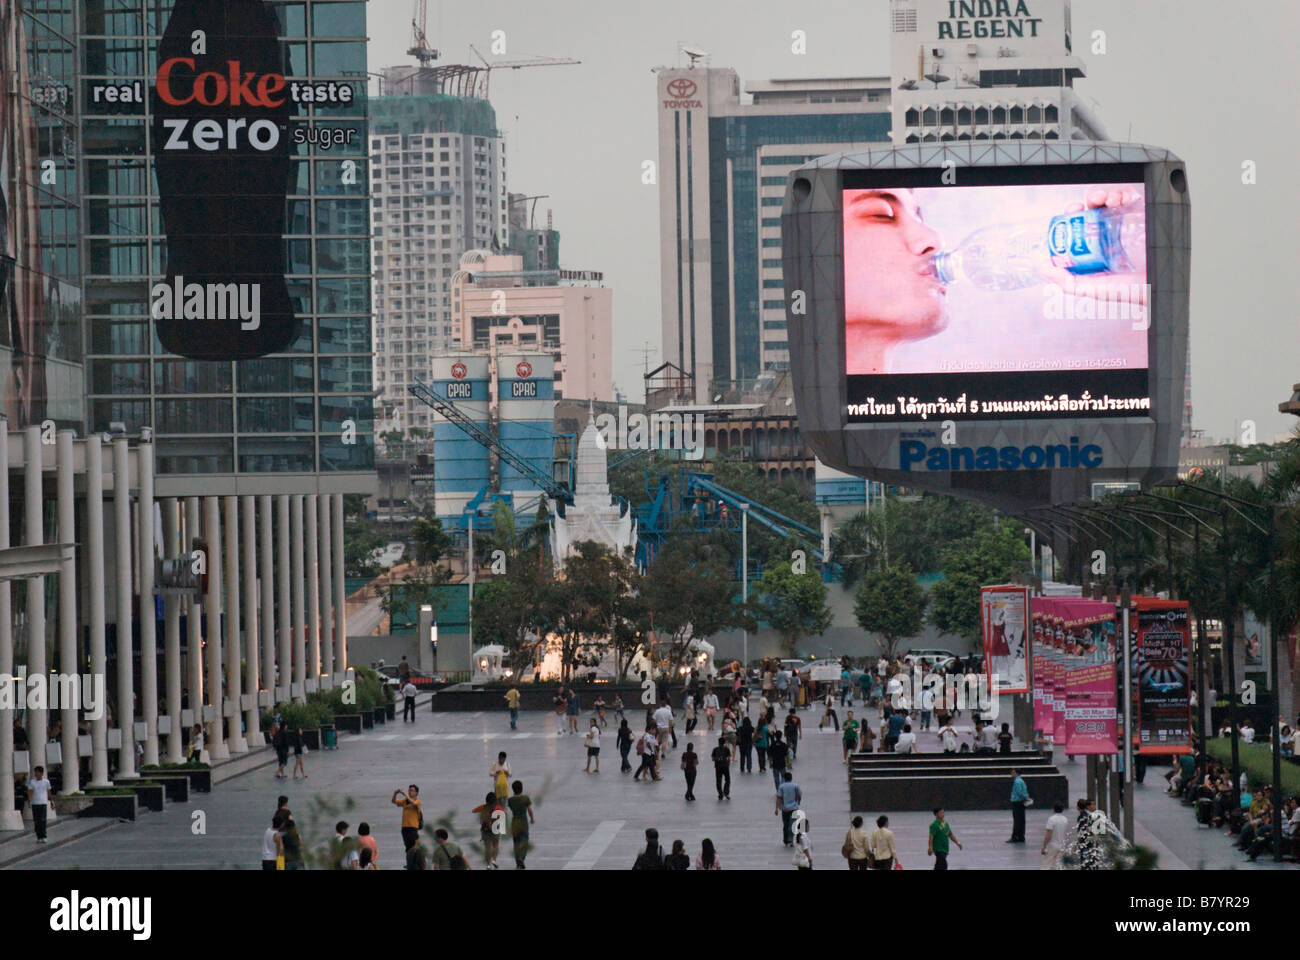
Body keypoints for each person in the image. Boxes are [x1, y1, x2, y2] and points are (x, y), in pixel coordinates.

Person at [472, 791, 504, 869]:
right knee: (495, 845)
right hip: (495, 829)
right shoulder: (498, 808)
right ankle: (494, 860)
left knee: (487, 848)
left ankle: (488, 864)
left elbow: (474, 811)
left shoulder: (483, 807)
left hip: (485, 830)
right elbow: (503, 815)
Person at [507, 780, 535, 869]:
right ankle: (521, 858)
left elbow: (510, 809)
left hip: (514, 823)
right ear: (522, 789)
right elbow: (529, 810)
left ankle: (518, 863)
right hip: (523, 823)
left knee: (516, 843)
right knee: (524, 842)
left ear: (513, 789)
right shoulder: (525, 798)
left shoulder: (510, 800)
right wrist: (532, 818)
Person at [392, 784, 423, 852]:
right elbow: (394, 801)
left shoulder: (417, 801)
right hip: (405, 827)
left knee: (414, 846)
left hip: (413, 827)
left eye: (412, 791)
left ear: (416, 793)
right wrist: (395, 793)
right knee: (408, 846)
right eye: (409, 790)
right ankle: (409, 860)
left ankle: (415, 860)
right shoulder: (405, 801)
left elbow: (414, 803)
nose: (410, 792)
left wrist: (404, 794)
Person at [775, 771, 802, 846]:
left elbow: (779, 798)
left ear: (784, 778)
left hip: (785, 809)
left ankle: (785, 839)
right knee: (792, 824)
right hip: (794, 808)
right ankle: (791, 839)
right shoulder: (795, 786)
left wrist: (777, 808)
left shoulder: (782, 787)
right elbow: (799, 795)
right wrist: (798, 802)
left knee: (785, 824)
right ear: (791, 778)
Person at [1041, 802, 1068, 870]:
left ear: (1053, 809)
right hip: (1062, 845)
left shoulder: (1051, 819)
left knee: (1046, 865)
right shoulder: (1065, 819)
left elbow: (1048, 834)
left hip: (1053, 845)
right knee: (1060, 865)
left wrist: (1044, 846)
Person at [1008, 768, 1029, 843]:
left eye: (1013, 772)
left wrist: (1024, 797)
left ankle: (1015, 837)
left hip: (1017, 802)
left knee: (1017, 820)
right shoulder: (1021, 780)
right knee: (1021, 820)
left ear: (1016, 773)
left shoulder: (1017, 781)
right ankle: (1021, 836)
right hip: (1021, 802)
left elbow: (1020, 792)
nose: (1011, 774)